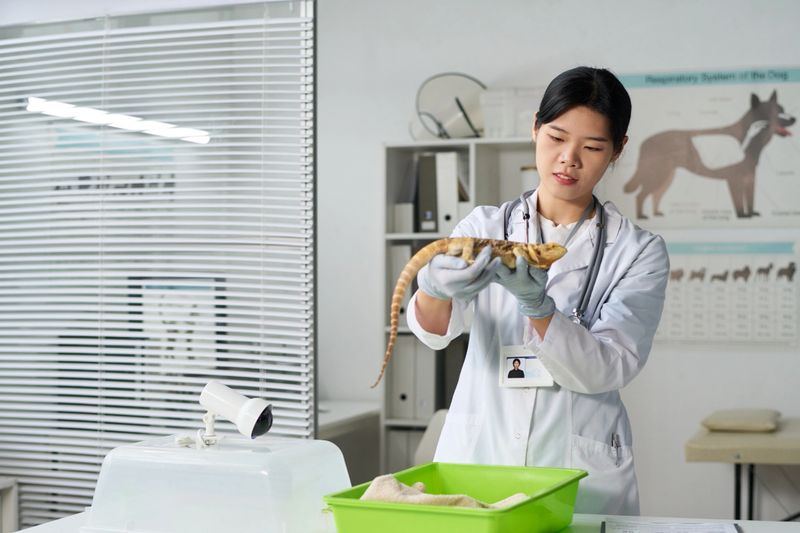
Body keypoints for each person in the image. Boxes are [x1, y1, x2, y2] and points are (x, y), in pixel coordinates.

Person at [407, 66, 669, 515]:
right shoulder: (485, 227)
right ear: (534, 128)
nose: (569, 159)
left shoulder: (637, 251)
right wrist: (432, 288)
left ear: (618, 150)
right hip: (482, 456)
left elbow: (610, 367)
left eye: (591, 147)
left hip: (577, 471)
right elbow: (435, 332)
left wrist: (538, 308)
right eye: (556, 138)